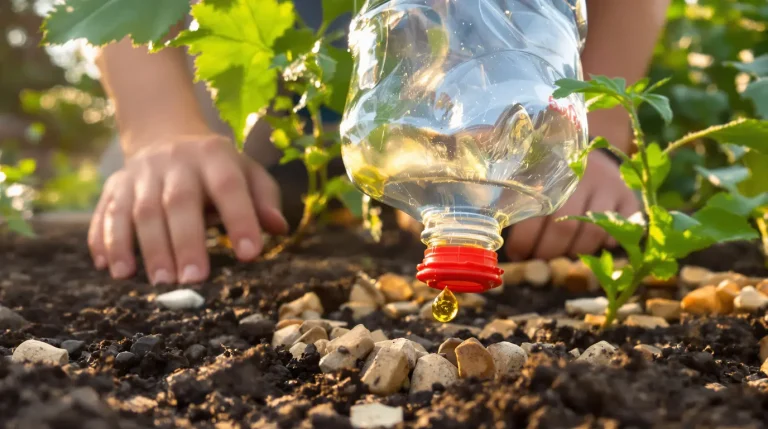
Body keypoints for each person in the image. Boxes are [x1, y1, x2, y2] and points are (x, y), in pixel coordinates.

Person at [89, 0, 670, 285]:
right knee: (173, 197)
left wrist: (596, 140)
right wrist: (161, 129)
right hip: (259, 74)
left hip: (474, 88)